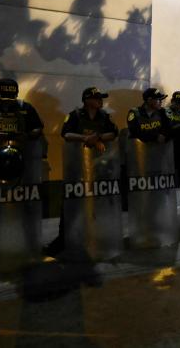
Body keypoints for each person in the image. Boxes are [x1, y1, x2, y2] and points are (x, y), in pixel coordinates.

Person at [45, 87, 118, 256]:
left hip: (99, 168)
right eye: (97, 98)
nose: (101, 101)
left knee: (98, 206)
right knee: (73, 205)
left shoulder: (104, 116)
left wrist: (97, 138)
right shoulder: (75, 115)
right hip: (76, 169)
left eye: (101, 98)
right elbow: (66, 134)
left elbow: (113, 133)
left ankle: (96, 238)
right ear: (87, 100)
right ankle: (64, 240)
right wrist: (85, 139)